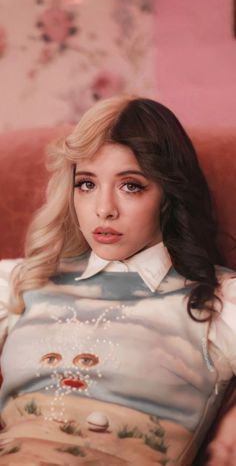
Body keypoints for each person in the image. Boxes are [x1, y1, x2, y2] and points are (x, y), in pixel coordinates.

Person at [0, 95, 235, 465]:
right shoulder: (25, 280)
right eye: (87, 184)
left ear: (168, 196)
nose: (104, 209)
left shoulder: (218, 300)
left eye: (131, 186)